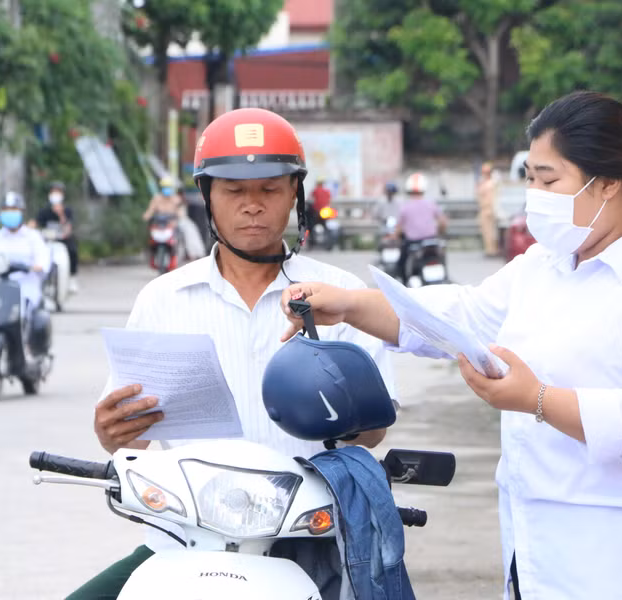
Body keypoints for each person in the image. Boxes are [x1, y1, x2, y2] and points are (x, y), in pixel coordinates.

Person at [278, 91, 622, 600]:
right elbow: (460, 317)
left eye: (548, 179)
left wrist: (536, 399)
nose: (534, 194)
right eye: (529, 179)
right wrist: (350, 305)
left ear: (608, 182)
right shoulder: (546, 266)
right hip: (543, 566)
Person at [67, 107, 397, 599]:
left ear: (294, 195)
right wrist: (111, 430)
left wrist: (347, 410)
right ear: (208, 197)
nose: (253, 205)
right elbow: (127, 437)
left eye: (269, 189)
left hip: (305, 538)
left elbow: (373, 433)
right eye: (234, 191)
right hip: (182, 540)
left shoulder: (340, 295)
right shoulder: (163, 298)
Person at [395, 172, 448, 283]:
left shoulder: (405, 207)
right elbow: (443, 222)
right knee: (441, 257)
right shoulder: (431, 204)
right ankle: (446, 275)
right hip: (431, 240)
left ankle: (404, 284)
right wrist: (440, 232)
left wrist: (395, 236)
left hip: (413, 242)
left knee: (400, 264)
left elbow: (399, 228)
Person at [142, 176, 206, 260]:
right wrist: (147, 216)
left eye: (168, 187)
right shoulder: (157, 199)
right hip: (160, 224)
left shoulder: (176, 199)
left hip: (173, 223)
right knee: (149, 232)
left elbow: (181, 213)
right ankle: (150, 254)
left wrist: (178, 217)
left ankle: (194, 253)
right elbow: (150, 211)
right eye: (165, 187)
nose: (166, 189)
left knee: (188, 227)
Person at [33, 181, 79, 293]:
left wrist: (61, 214)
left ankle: (72, 278)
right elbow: (36, 222)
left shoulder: (67, 210)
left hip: (63, 238)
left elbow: (68, 227)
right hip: (47, 239)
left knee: (72, 250)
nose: (55, 194)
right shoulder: (44, 210)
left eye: (58, 192)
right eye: (53, 191)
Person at [477, 162, 499, 257]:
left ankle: (492, 250)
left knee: (491, 232)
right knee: (486, 231)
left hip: (489, 209)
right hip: (484, 209)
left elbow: (492, 198)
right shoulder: (484, 182)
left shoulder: (491, 183)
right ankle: (489, 249)